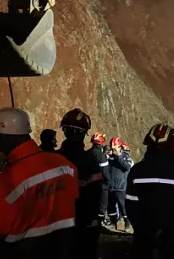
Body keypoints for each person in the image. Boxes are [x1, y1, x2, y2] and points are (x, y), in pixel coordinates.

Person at [0, 107, 78, 259]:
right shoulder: (65, 165)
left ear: (4, 137)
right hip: (64, 247)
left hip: (22, 251)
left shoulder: (9, 178)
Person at [126, 123, 174, 259]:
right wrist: (171, 231)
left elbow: (130, 206)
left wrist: (142, 229)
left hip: (143, 238)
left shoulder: (137, 171)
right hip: (172, 241)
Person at [57, 108, 102, 259]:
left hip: (54, 224)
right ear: (84, 133)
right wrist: (95, 219)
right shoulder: (90, 161)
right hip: (83, 222)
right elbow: (97, 193)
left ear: (64, 130)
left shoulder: (51, 159)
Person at [107, 137, 134, 230]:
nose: (114, 150)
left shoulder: (125, 156)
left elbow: (127, 166)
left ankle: (128, 223)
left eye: (115, 148)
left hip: (121, 186)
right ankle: (113, 221)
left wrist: (119, 156)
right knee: (110, 207)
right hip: (111, 186)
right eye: (112, 148)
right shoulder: (111, 158)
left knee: (123, 207)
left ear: (120, 147)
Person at [87, 132, 111, 223]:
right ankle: (99, 222)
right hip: (101, 185)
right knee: (102, 205)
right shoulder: (101, 156)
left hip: (89, 184)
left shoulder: (88, 153)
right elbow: (105, 172)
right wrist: (108, 183)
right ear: (102, 143)